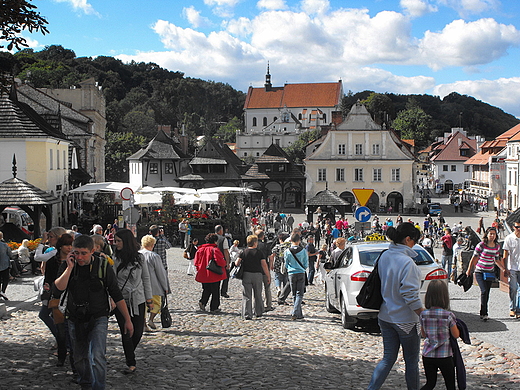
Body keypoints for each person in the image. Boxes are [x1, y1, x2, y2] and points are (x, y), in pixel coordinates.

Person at [53, 235, 133, 390]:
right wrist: (69, 268)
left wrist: (127, 320)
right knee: (79, 358)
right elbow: (58, 288)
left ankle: (98, 387)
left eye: (84, 253)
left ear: (92, 251)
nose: (80, 257)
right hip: (74, 317)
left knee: (97, 355)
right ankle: (86, 384)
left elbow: (116, 294)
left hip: (98, 317)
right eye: (76, 253)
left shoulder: (103, 266)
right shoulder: (68, 265)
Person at [367, 222, 424, 390]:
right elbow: (410, 296)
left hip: (385, 315)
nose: (415, 244)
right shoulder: (408, 263)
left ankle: (372, 388)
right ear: (408, 239)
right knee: (412, 362)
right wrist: (424, 314)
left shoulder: (384, 256)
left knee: (388, 358)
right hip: (405, 320)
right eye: (414, 240)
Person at [112, 229, 153, 374]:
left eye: (118, 241)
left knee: (137, 332)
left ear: (126, 242)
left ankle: (129, 352)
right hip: (121, 300)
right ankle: (131, 362)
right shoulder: (115, 258)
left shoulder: (140, 258)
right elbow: (112, 281)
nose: (115, 243)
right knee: (126, 331)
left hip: (138, 298)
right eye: (115, 241)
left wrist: (149, 299)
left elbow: (146, 278)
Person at [419, 280, 460, 390]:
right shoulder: (448, 315)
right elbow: (455, 335)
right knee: (450, 385)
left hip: (428, 355)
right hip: (444, 355)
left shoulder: (423, 314)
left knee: (430, 383)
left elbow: (423, 334)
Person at [45, 233, 74, 366]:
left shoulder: (75, 260)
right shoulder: (52, 262)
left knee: (73, 332)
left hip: (73, 299)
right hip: (58, 299)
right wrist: (48, 287)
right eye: (67, 245)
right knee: (61, 331)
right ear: (61, 246)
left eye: (71, 245)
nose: (69, 248)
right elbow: (48, 279)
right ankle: (61, 356)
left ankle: (74, 360)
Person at [466, 227, 503, 321]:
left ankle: (483, 312)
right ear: (487, 234)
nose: (492, 236)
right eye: (490, 234)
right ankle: (484, 313)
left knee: (487, 292)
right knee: (484, 291)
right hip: (480, 271)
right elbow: (474, 258)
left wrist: (503, 269)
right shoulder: (481, 245)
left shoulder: (497, 246)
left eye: (494, 234)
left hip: (490, 272)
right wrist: (469, 270)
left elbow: (497, 259)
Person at [236, 234, 270, 320]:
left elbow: (237, 263)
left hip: (247, 274)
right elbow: (264, 265)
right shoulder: (259, 252)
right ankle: (258, 312)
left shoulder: (244, 252)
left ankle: (247, 314)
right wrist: (268, 275)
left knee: (247, 295)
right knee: (258, 294)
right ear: (255, 243)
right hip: (257, 275)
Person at [140, 235, 169, 330]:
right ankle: (151, 319)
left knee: (142, 305)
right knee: (157, 303)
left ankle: (143, 323)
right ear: (152, 244)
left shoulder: (137, 254)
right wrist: (165, 286)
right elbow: (160, 272)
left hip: (140, 284)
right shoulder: (154, 256)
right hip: (154, 284)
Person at [194, 233, 227, 313]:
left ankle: (203, 302)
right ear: (215, 241)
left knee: (206, 289)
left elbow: (196, 262)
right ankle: (214, 307)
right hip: (214, 273)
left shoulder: (200, 249)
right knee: (215, 291)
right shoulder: (214, 249)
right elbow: (220, 261)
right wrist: (225, 263)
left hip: (203, 273)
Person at [284, 232, 308, 321]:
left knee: (294, 294)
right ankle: (295, 312)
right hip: (300, 273)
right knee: (300, 294)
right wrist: (302, 268)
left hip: (291, 273)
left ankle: (299, 314)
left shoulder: (287, 251)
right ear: (299, 241)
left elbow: (286, 263)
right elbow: (306, 263)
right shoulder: (303, 251)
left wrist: (290, 268)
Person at [502, 220, 520, 319]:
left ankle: (518, 309)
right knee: (513, 289)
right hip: (512, 267)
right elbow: (505, 255)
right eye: (517, 227)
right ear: (514, 227)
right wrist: (505, 268)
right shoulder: (509, 238)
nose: (519, 230)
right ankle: (512, 308)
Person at [215, 225, 231, 298]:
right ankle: (223, 291)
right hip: (221, 259)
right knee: (226, 276)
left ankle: (215, 291)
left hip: (212, 259)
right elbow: (226, 251)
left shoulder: (211, 237)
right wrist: (227, 262)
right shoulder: (223, 239)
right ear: (220, 231)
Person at [0, 232, 14, 300]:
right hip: (4, 264)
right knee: (5, 279)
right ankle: (3, 291)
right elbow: (10, 254)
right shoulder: (4, 245)